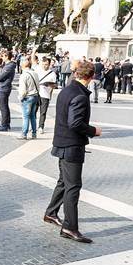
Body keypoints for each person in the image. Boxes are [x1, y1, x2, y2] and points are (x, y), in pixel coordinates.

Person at [44, 59, 101, 244]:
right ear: (92, 77)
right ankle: (69, 227)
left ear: (76, 73)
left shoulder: (66, 90)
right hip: (71, 146)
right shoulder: (80, 96)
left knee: (63, 181)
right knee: (73, 187)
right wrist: (93, 131)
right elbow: (75, 123)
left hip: (61, 142)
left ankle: (51, 213)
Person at [18, 55, 40, 140]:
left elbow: (23, 90)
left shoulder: (24, 75)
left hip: (27, 97)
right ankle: (34, 133)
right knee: (33, 116)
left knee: (25, 116)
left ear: (22, 66)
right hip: (35, 96)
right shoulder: (35, 73)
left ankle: (24, 133)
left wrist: (20, 97)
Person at [0, 54, 16, 131]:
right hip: (3, 87)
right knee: (4, 107)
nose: (2, 58)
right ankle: (6, 124)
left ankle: (4, 125)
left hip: (4, 88)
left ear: (7, 57)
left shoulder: (9, 66)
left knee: (3, 107)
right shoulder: (7, 65)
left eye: (3, 56)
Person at [37, 56, 57, 133]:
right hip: (36, 93)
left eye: (46, 64)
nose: (44, 66)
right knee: (33, 111)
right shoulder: (38, 71)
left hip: (45, 94)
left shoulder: (52, 74)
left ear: (49, 65)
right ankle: (33, 125)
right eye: (43, 64)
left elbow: (54, 85)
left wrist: (49, 85)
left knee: (43, 112)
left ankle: (41, 126)